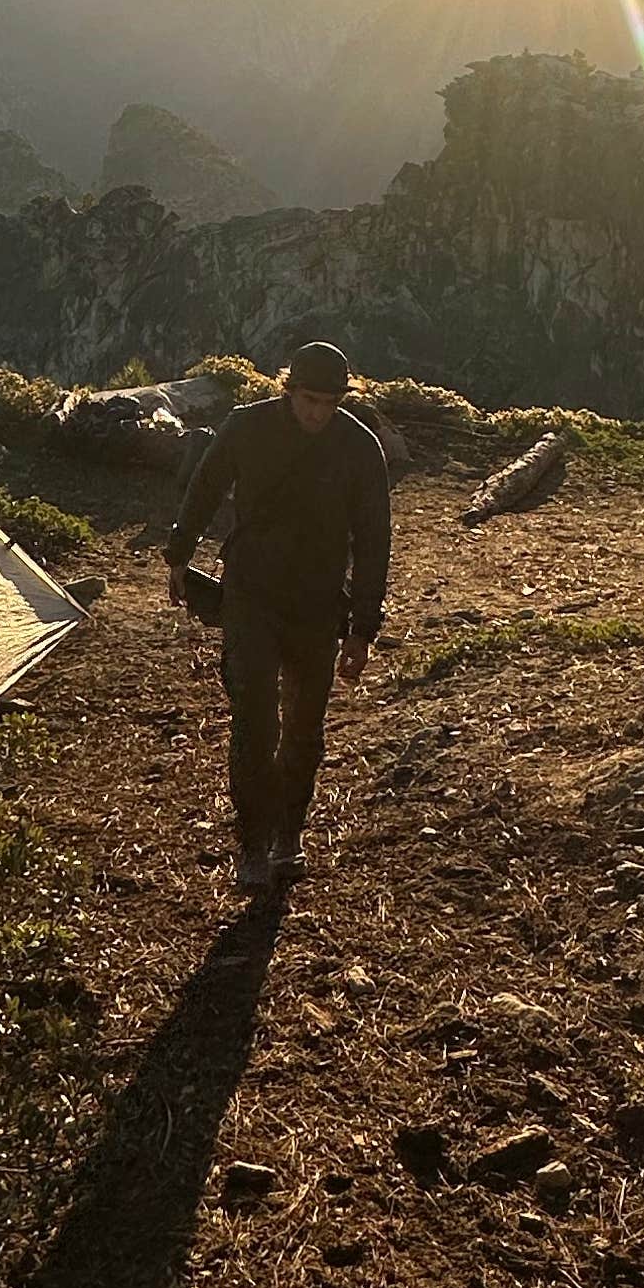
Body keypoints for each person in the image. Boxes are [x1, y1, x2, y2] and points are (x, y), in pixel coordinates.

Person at [162, 340, 394, 893]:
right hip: (251, 596)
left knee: (304, 730)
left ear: (342, 399)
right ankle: (252, 844)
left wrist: (363, 629)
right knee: (255, 720)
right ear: (287, 389)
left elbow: (374, 541)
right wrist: (177, 556)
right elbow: (204, 489)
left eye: (328, 403)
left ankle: (288, 834)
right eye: (308, 399)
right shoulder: (245, 428)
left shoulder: (361, 449)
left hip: (317, 606)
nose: (316, 412)